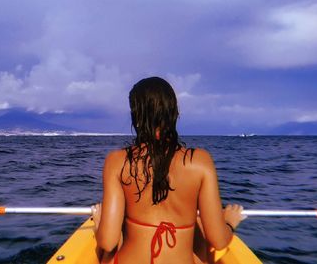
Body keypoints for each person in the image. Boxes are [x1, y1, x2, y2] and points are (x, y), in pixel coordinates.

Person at [91, 77, 246, 264]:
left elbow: (108, 243)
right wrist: (228, 221)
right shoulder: (200, 161)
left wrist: (100, 225)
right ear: (173, 113)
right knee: (201, 244)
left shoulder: (117, 161)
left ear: (136, 117)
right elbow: (219, 241)